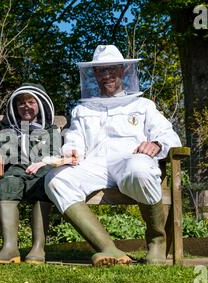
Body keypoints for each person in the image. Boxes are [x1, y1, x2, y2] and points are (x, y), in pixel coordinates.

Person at [45, 45, 182, 266]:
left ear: (122, 71)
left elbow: (169, 136)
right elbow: (75, 139)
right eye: (100, 70)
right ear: (94, 74)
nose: (106, 74)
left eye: (111, 69)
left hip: (130, 161)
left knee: (140, 168)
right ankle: (109, 249)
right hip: (94, 165)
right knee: (55, 179)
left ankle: (157, 241)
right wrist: (71, 151)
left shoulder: (143, 105)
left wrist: (156, 144)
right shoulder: (82, 110)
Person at [0, 83, 59, 264]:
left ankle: (38, 248)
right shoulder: (6, 128)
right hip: (16, 169)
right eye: (21, 103)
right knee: (7, 184)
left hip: (42, 169)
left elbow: (57, 153)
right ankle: (9, 248)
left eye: (31, 102)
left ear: (40, 105)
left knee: (45, 185)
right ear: (14, 107)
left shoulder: (51, 129)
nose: (26, 106)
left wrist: (43, 162)